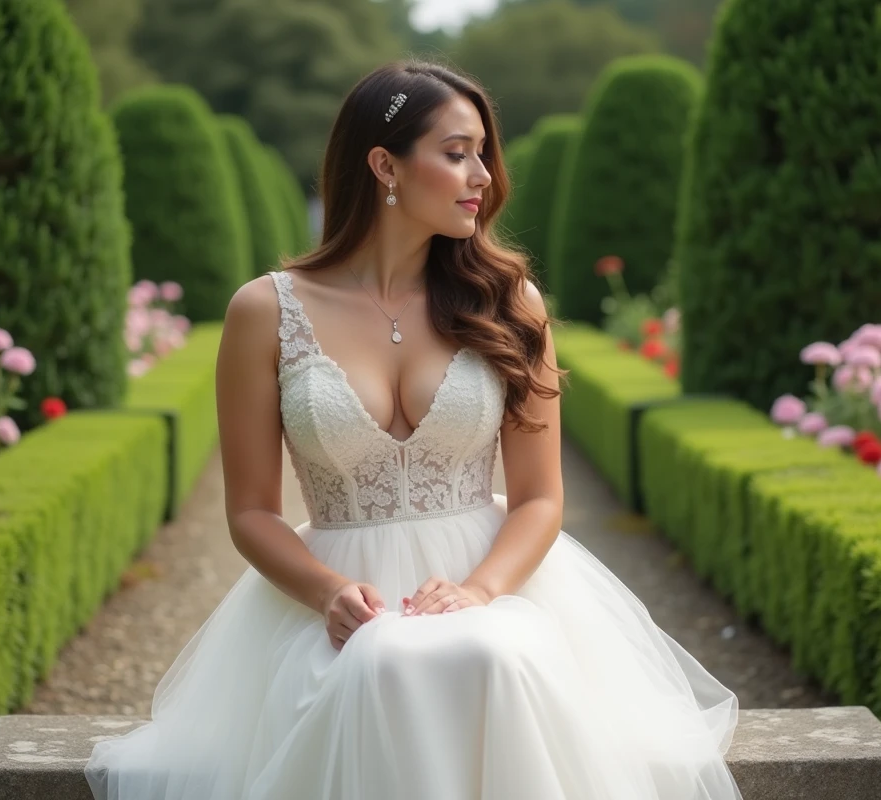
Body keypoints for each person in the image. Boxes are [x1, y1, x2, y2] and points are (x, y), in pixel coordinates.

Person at [85, 59, 744, 800]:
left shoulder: (511, 303)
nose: (483, 176)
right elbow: (250, 512)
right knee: (374, 668)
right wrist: (329, 592)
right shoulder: (264, 312)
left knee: (497, 659)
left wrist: (481, 592)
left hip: (489, 580)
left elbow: (539, 499)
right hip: (332, 596)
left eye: (484, 154)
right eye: (457, 152)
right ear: (383, 164)